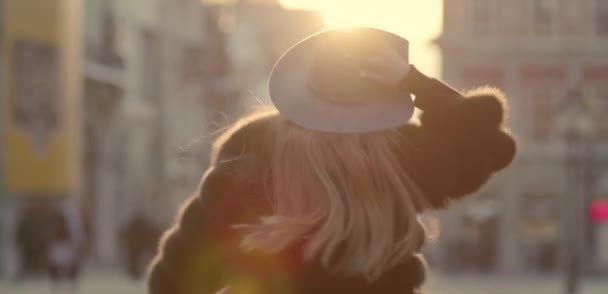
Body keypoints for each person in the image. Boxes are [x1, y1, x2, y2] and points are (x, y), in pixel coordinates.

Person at [147, 27, 517, 293]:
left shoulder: (256, 151)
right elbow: (490, 143)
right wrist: (411, 79)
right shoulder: (397, 157)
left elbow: (175, 278)